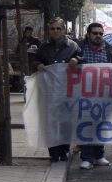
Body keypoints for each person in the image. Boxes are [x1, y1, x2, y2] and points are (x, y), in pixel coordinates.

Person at [33, 17, 81, 162]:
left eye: (58, 28)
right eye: (52, 29)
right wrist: (38, 65)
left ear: (64, 30)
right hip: (49, 91)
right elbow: (36, 59)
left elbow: (82, 58)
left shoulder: (73, 46)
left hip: (67, 91)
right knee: (51, 122)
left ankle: (64, 150)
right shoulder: (44, 46)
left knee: (65, 122)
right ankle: (53, 152)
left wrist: (76, 60)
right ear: (49, 31)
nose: (55, 31)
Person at [77, 22, 112, 169]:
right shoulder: (79, 48)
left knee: (101, 125)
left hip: (104, 95)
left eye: (100, 34)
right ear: (88, 34)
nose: (98, 36)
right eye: (95, 33)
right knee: (86, 125)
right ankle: (86, 157)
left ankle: (99, 155)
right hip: (84, 95)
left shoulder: (110, 50)